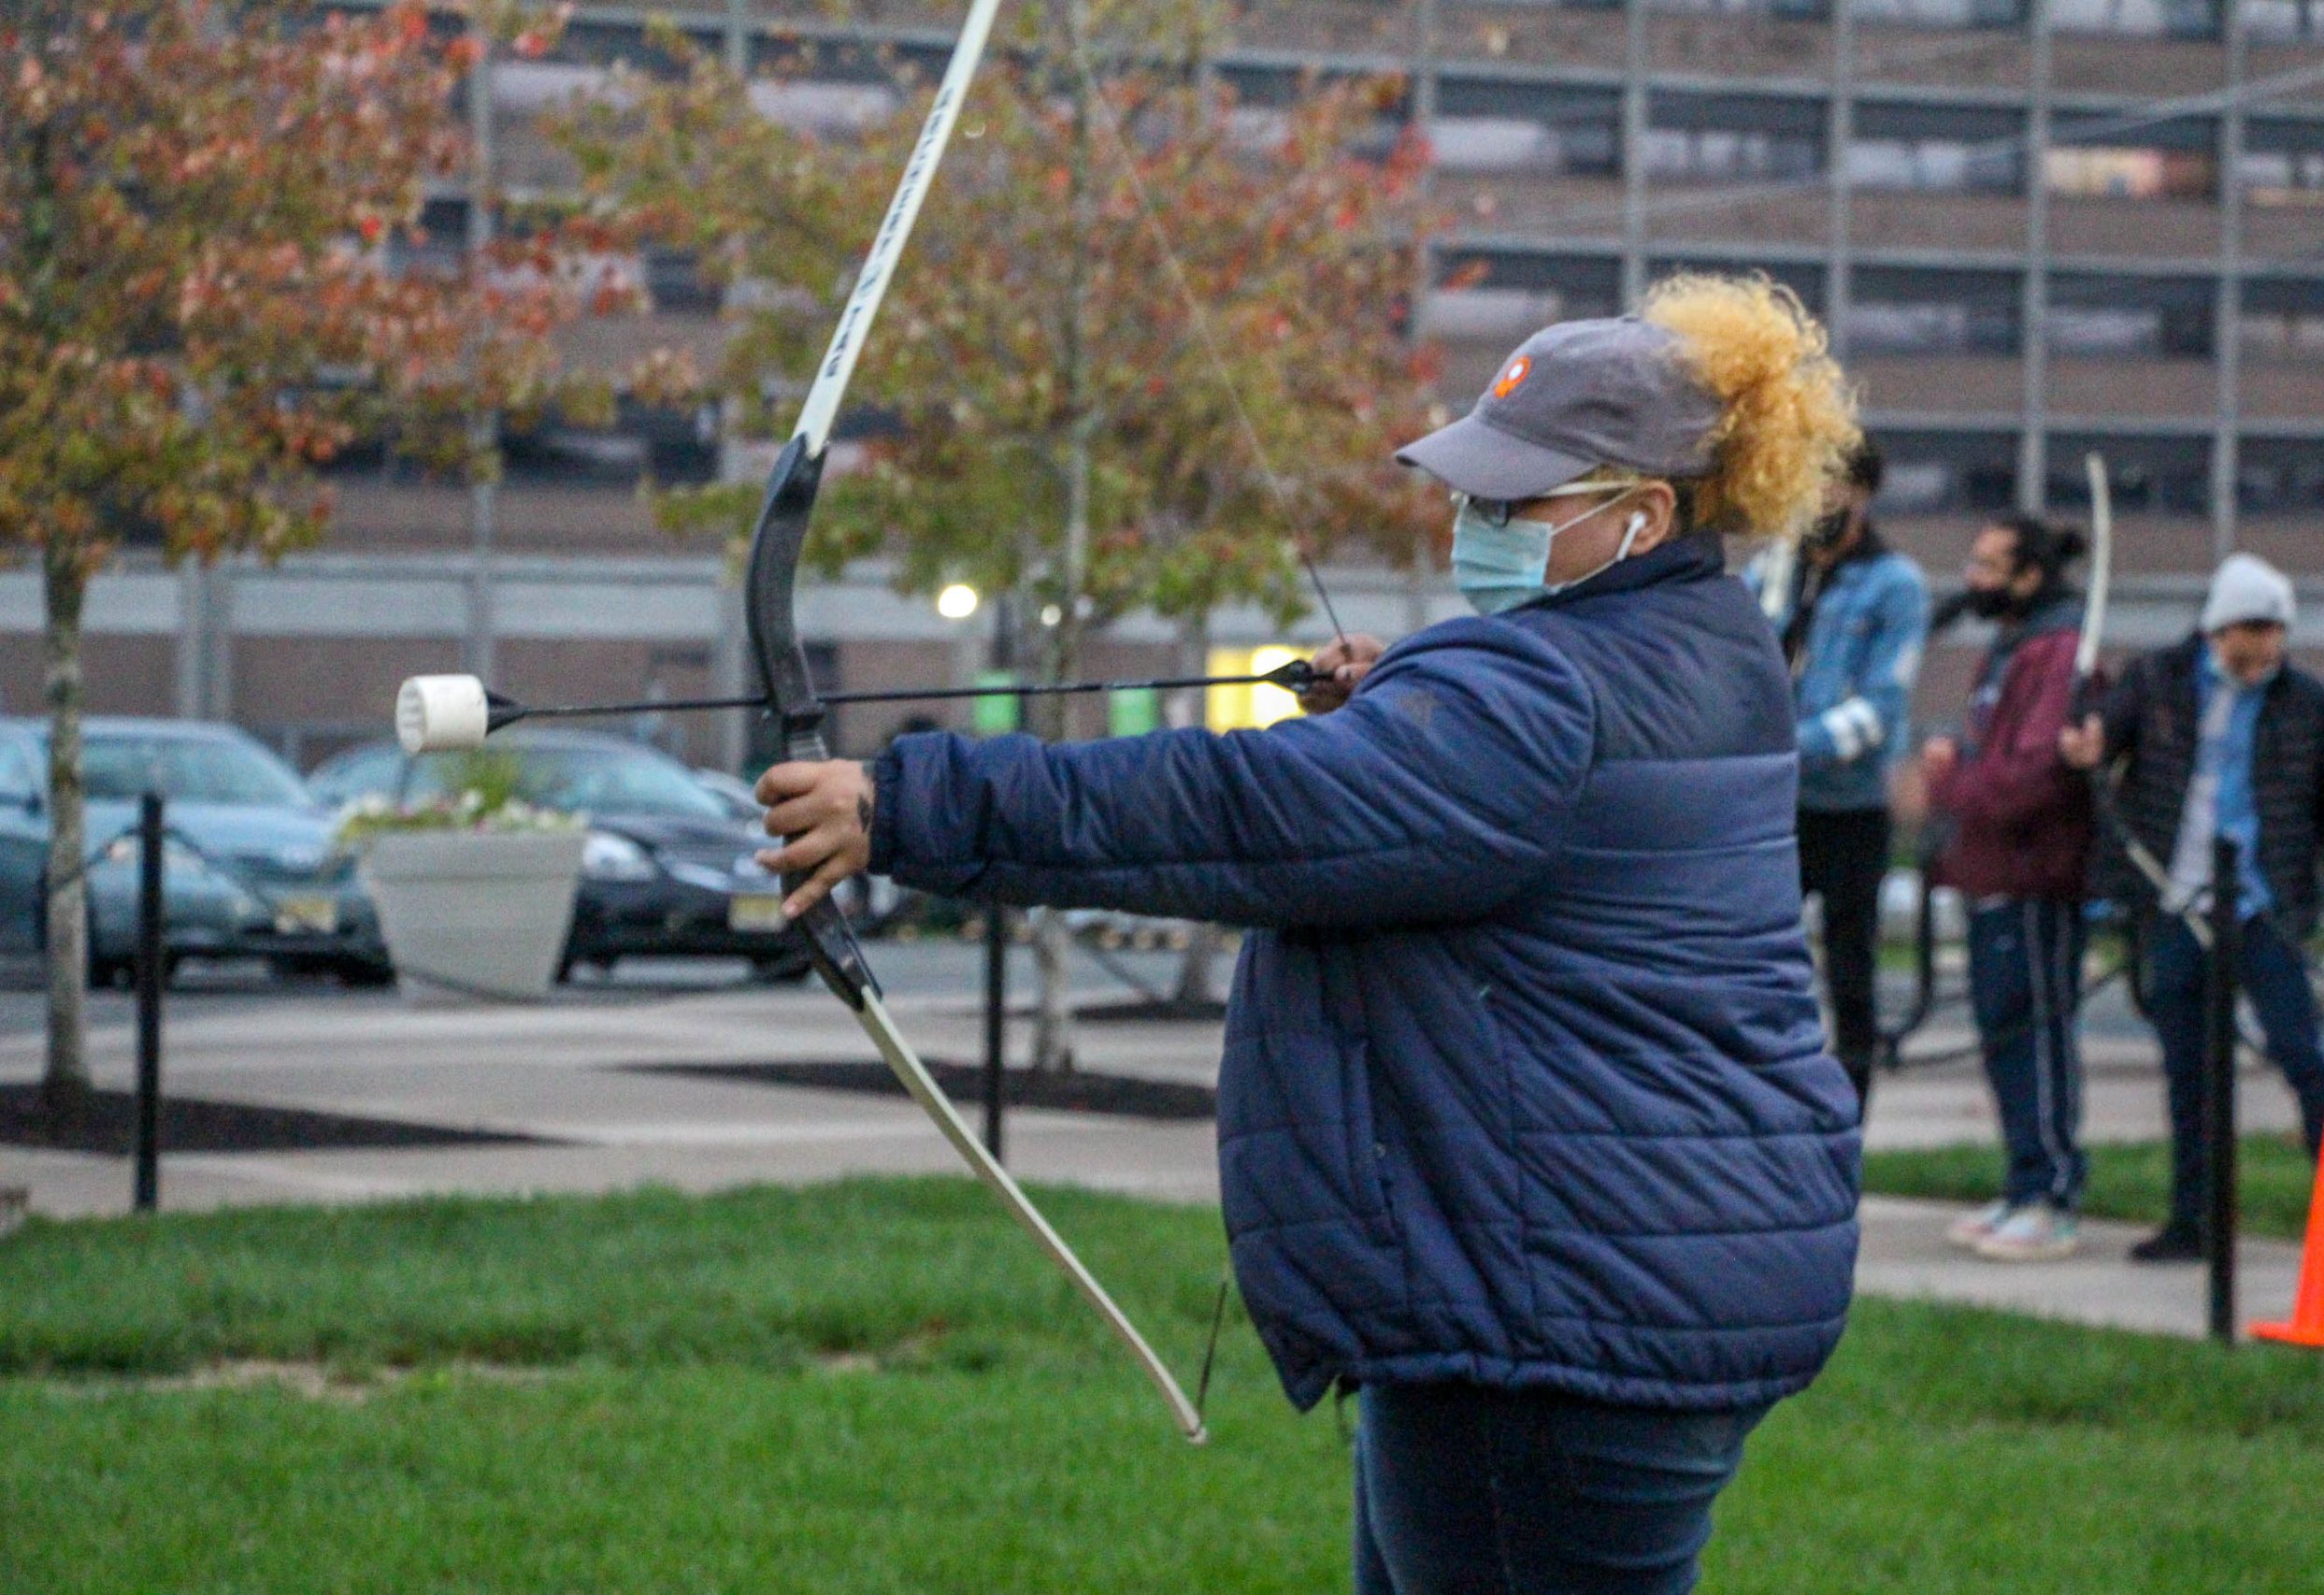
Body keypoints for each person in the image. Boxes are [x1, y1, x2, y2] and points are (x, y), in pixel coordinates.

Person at [753, 274, 1864, 1595]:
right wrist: (1406, 696)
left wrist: (909, 803)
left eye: (1517, 501)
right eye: (1472, 489)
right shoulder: (1709, 640)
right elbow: (1507, 783)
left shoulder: (1535, 693)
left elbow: (1250, 809)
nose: (1476, 520)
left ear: (1647, 515)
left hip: (1555, 1316)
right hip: (1617, 1274)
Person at [2060, 553, 2324, 1263]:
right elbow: (2105, 731)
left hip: (2263, 904)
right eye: (2253, 632)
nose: (2266, 648)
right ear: (2219, 627)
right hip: (2177, 901)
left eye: (2277, 633)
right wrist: (2090, 740)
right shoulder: (2160, 680)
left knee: (2301, 1052)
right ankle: (2193, 1219)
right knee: (2189, 1070)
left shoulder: (2308, 701)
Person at [1920, 516, 2095, 1263]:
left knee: (2036, 1036)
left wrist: (1952, 778)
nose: (1974, 577)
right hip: (1993, 873)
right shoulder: (2010, 650)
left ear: (2029, 576)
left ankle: (2051, 1190)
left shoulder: (2055, 654)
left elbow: (2028, 777)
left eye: (1990, 564)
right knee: (2004, 1039)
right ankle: (2025, 1182)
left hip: (2033, 878)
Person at [1747, 436, 1929, 1111]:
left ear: (1861, 493)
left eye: (1830, 484)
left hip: (1848, 807)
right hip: (1776, 806)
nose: (1816, 498)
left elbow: (1881, 708)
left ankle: (1846, 1122)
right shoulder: (1775, 568)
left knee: (1852, 977)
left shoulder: (1894, 583)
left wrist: (1786, 749)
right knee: (1760, 967)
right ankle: (1767, 1107)